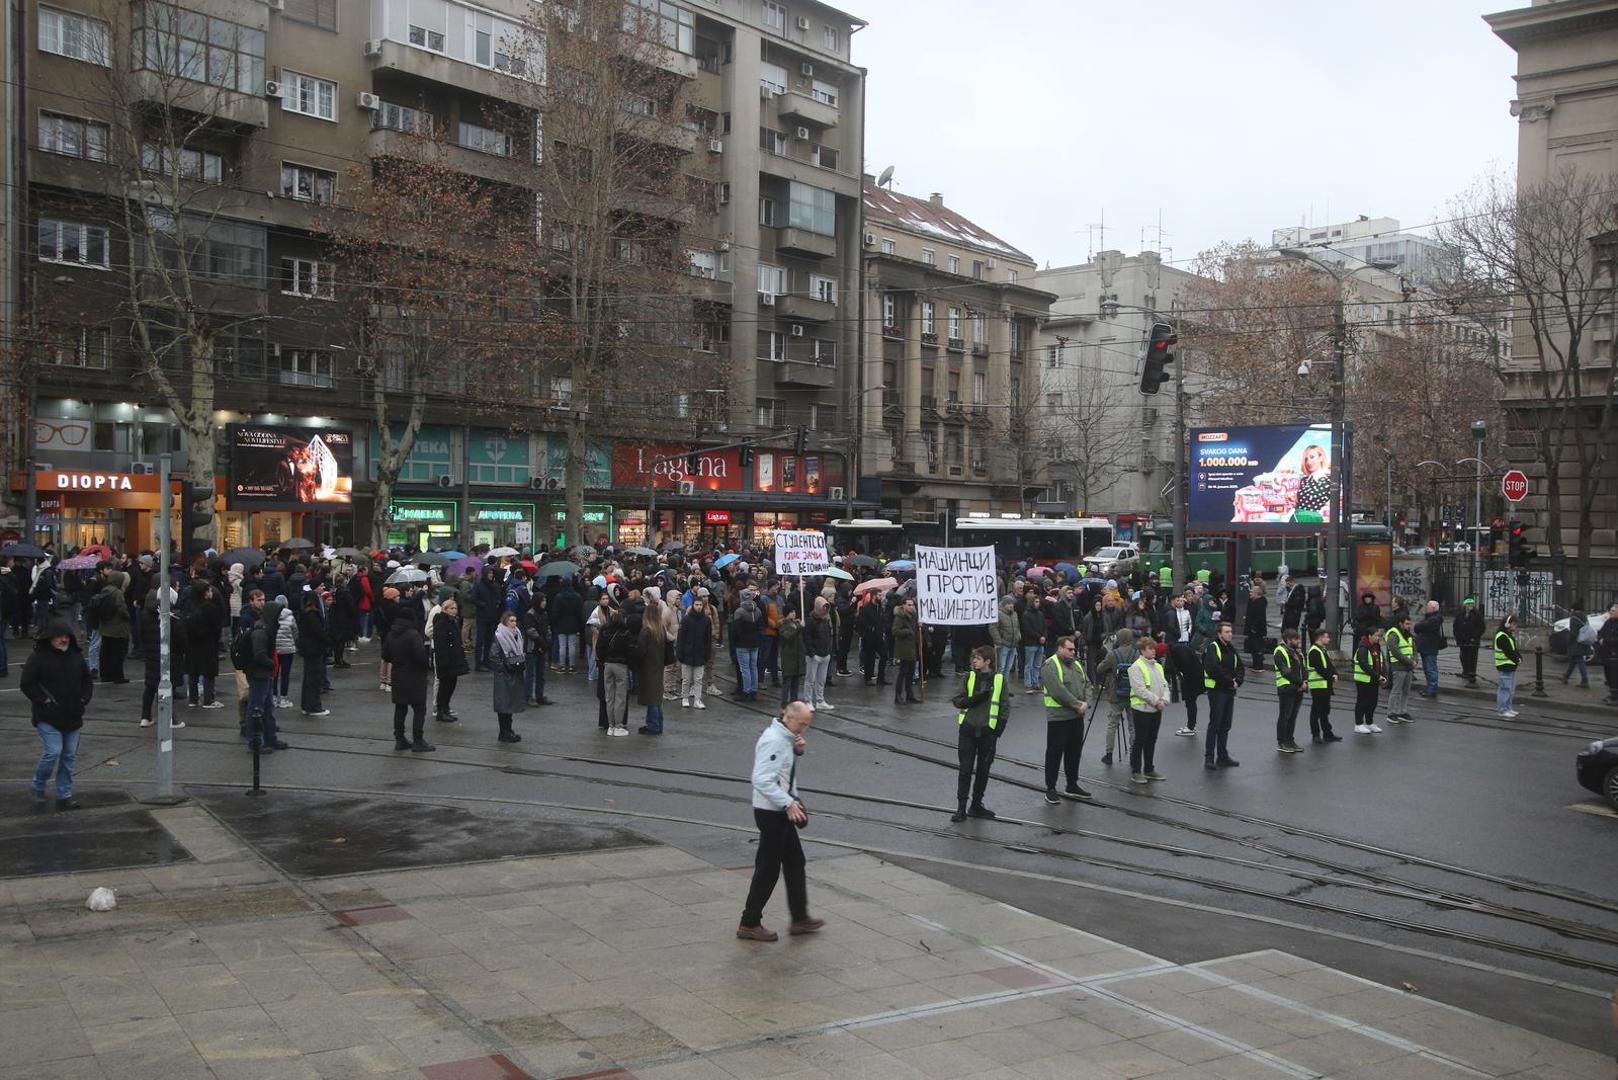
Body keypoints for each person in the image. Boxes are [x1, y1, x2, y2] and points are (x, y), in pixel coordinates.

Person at [738, 701, 822, 942]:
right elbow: (761, 779)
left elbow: (782, 772)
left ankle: (799, 918)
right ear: (788, 717)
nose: (804, 729)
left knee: (795, 861)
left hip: (780, 810)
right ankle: (749, 923)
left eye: (807, 725)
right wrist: (788, 803)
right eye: (802, 724)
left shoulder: (786, 738)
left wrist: (797, 752)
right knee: (768, 868)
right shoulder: (774, 740)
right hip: (772, 812)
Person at [22, 620, 94, 809]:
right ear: (50, 638)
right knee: (53, 752)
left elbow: (87, 679)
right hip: (48, 716)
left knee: (68, 756)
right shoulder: (38, 657)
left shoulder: (76, 656)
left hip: (73, 715)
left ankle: (64, 794)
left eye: (66, 636)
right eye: (59, 637)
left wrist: (84, 698)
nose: (63, 640)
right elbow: (27, 683)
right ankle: (37, 786)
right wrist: (43, 701)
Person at [951, 645, 1010, 822]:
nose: (974, 661)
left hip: (988, 732)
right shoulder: (969, 677)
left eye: (977, 658)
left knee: (984, 770)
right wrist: (976, 698)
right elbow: (957, 701)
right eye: (974, 658)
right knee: (965, 770)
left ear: (988, 661)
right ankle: (961, 808)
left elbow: (1004, 707)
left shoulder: (999, 680)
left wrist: (997, 731)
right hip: (968, 729)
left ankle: (976, 805)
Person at [1040, 635, 1091, 803]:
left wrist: (1087, 702)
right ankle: (1051, 788)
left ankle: (1072, 784)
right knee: (1054, 753)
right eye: (1070, 649)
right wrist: (1077, 704)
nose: (1073, 652)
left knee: (1074, 752)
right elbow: (1058, 691)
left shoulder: (1077, 664)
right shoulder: (1050, 665)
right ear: (1060, 648)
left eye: (1074, 649)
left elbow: (1088, 684)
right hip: (1059, 718)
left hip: (1076, 716)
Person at [383, 608, 435, 752]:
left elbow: (385, 655)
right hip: (415, 676)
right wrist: (426, 666)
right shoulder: (413, 634)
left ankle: (399, 739)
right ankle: (418, 740)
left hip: (398, 674)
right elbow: (420, 656)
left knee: (400, 707)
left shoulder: (391, 634)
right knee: (419, 708)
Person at [244, 598, 289, 754]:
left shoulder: (265, 628)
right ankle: (255, 743)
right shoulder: (261, 631)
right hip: (259, 674)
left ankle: (270, 739)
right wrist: (272, 664)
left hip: (264, 673)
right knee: (256, 709)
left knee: (267, 708)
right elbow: (259, 655)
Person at [138, 586, 187, 730]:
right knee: (166, 686)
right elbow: (181, 640)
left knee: (150, 686)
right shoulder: (172, 616)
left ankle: (145, 717)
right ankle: (171, 718)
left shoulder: (147, 614)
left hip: (151, 654)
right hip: (169, 656)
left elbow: (141, 634)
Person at [1127, 636, 1171, 783]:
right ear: (1142, 650)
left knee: (1152, 740)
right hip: (1142, 709)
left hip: (1156, 709)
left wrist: (1164, 700)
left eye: (1154, 648)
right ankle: (1136, 771)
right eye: (1150, 648)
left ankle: (1149, 769)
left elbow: (1165, 685)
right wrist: (1157, 701)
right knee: (1140, 740)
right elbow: (1140, 690)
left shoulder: (1157, 666)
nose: (1154, 651)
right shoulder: (1136, 667)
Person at [1202, 622, 1244, 769]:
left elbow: (1240, 666)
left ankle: (1222, 755)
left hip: (1229, 691)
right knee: (1215, 723)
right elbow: (1214, 669)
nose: (1230, 634)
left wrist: (1238, 681)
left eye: (1231, 631)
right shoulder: (1213, 647)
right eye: (1227, 632)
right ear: (1219, 634)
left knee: (1225, 724)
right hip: (1217, 690)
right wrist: (1230, 681)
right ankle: (1209, 757)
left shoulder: (1231, 648)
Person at [1094, 628, 1137, 767]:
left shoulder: (1113, 654)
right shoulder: (1136, 654)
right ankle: (1134, 754)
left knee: (1112, 724)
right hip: (1132, 693)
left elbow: (1099, 669)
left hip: (1115, 693)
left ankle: (1109, 754)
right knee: (1133, 725)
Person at [597, 605, 634, 736]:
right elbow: (630, 651)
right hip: (621, 665)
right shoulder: (626, 633)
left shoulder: (605, 630)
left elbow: (599, 648)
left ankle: (610, 725)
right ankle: (618, 725)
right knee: (620, 697)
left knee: (609, 697)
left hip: (607, 665)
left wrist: (603, 660)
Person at [491, 611, 526, 743]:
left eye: (515, 620)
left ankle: (508, 730)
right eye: (511, 621)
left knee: (509, 703)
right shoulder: (500, 635)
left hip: (513, 672)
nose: (514, 623)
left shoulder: (517, 634)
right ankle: (504, 732)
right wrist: (504, 668)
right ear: (505, 622)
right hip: (504, 675)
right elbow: (494, 656)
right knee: (504, 704)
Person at [432, 596, 469, 723]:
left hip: (454, 659)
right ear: (445, 609)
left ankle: (446, 708)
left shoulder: (453, 622)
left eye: (455, 608)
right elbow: (440, 644)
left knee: (451, 685)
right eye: (451, 608)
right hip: (446, 660)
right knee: (444, 686)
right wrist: (444, 660)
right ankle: (441, 710)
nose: (454, 610)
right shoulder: (441, 623)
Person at [636, 596, 668, 735]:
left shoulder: (646, 630)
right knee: (656, 696)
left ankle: (653, 725)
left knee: (651, 697)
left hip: (648, 667)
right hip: (658, 665)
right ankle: (656, 723)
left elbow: (641, 651)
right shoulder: (661, 629)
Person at [94, 570, 132, 683]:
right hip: (117, 627)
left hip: (105, 625)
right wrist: (128, 616)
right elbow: (121, 609)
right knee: (117, 653)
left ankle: (105, 675)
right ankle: (117, 676)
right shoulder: (117, 593)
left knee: (105, 653)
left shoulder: (105, 590)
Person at [295, 592, 329, 717]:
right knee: (314, 678)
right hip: (314, 649)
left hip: (307, 649)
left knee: (308, 678)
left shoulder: (303, 614)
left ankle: (306, 705)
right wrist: (328, 641)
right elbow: (319, 632)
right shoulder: (312, 615)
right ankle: (314, 707)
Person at [1306, 627, 1342, 744]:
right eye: (1327, 637)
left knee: (1325, 710)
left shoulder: (1322, 650)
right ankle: (1316, 734)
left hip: (1325, 685)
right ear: (1320, 638)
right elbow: (1320, 669)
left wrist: (1335, 673)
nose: (1329, 639)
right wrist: (1331, 677)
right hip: (1318, 686)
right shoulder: (1314, 651)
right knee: (1316, 711)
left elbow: (1329, 665)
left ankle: (1327, 733)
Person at [677, 595, 712, 708]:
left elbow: (708, 639)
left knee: (698, 679)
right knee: (686, 679)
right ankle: (685, 698)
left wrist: (707, 654)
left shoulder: (706, 620)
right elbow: (681, 638)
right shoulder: (686, 620)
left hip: (700, 654)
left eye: (700, 605)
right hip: (687, 654)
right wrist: (680, 653)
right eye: (696, 605)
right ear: (692, 605)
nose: (698, 607)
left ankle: (697, 699)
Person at [1273, 628, 1305, 753]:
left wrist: (1305, 681)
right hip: (1286, 688)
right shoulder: (1280, 651)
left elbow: (1303, 668)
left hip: (1298, 689)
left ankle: (1290, 740)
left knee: (1292, 716)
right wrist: (1300, 683)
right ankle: (1282, 742)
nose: (1298, 641)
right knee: (1285, 716)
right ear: (1288, 640)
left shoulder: (1297, 653)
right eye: (1296, 639)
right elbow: (1286, 672)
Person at [804, 596, 835, 711]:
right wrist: (812, 653)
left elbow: (829, 636)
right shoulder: (810, 620)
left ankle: (820, 700)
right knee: (810, 679)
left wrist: (829, 651)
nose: (825, 609)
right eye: (823, 607)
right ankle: (808, 701)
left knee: (821, 680)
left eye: (826, 607)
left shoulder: (826, 620)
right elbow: (807, 638)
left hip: (825, 653)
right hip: (814, 655)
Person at [1352, 627, 1386, 734]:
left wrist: (1382, 675)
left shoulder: (1376, 647)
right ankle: (1358, 724)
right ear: (1369, 636)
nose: (1378, 638)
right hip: (1363, 680)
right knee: (1362, 702)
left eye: (1379, 636)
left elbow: (1381, 662)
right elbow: (1364, 665)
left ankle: (1369, 723)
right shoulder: (1363, 648)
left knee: (1372, 702)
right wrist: (1377, 676)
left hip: (1374, 680)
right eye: (1376, 635)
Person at [729, 590, 762, 701]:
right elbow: (760, 627)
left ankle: (746, 691)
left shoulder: (739, 612)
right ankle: (754, 691)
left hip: (742, 644)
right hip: (755, 643)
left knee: (745, 669)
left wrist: (735, 642)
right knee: (753, 667)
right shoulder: (758, 610)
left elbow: (735, 630)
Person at [1384, 613, 1415, 725]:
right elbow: (1396, 652)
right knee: (1396, 691)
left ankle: (1402, 712)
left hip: (1408, 667)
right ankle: (1391, 713)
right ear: (1400, 623)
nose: (1409, 626)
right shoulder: (1394, 634)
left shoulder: (1408, 635)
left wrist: (1414, 660)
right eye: (1407, 624)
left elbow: (1413, 649)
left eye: (1410, 624)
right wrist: (1411, 661)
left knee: (1406, 691)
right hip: (1399, 667)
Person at [891, 596, 920, 705]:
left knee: (910, 673)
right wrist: (907, 631)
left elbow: (915, 629)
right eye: (909, 605)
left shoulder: (914, 616)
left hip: (912, 647)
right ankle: (898, 695)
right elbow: (895, 631)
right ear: (903, 605)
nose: (911, 607)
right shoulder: (900, 616)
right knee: (903, 672)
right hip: (904, 648)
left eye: (912, 605)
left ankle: (909, 695)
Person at [1413, 600, 1445, 697]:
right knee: (1427, 669)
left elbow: (1418, 627)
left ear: (1433, 608)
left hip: (1429, 647)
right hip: (1426, 647)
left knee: (1430, 669)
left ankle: (1432, 690)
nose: (1426, 608)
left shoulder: (1433, 619)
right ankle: (1430, 688)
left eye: (1428, 606)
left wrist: (1419, 626)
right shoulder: (1430, 618)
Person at [1453, 597, 1485, 686]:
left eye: (1471, 604)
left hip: (1473, 641)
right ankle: (1465, 671)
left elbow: (1481, 627)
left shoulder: (1477, 614)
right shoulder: (1460, 614)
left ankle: (1471, 674)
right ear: (1465, 605)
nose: (1470, 605)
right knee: (1463, 656)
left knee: (1472, 658)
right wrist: (1457, 638)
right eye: (1468, 604)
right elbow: (1455, 626)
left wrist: (1475, 637)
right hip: (1462, 640)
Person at [1495, 614, 1521, 719]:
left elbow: (1513, 649)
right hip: (1504, 665)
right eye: (1514, 624)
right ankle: (1502, 710)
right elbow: (1509, 652)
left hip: (1510, 665)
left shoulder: (1508, 635)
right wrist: (1517, 659)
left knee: (1510, 689)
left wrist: (1519, 657)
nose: (1515, 626)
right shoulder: (1502, 636)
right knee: (1505, 689)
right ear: (1507, 624)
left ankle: (1508, 708)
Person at [1018, 594, 1046, 693]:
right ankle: (1028, 684)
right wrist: (1039, 637)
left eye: (1038, 602)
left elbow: (1044, 627)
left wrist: (1044, 636)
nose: (1038, 604)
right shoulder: (1026, 614)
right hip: (1030, 643)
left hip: (1040, 643)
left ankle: (1035, 682)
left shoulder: (1041, 614)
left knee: (1037, 665)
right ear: (1031, 603)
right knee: (1029, 665)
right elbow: (1027, 629)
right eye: (1036, 602)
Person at [1564, 604, 1593, 688]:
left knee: (1580, 661)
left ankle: (1585, 681)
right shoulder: (1584, 616)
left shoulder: (1574, 618)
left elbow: (1573, 633)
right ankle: (1566, 676)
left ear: (1573, 609)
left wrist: (1569, 641)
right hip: (1583, 641)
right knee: (1573, 660)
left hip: (1576, 643)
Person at [1595, 602, 1618, 706]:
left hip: (1615, 654)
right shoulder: (1609, 622)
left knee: (1615, 676)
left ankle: (1615, 696)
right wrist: (1600, 638)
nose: (1610, 612)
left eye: (1613, 611)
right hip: (1607, 654)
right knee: (1608, 675)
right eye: (1611, 611)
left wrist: (1605, 641)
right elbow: (1600, 632)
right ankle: (1612, 694)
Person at [1243, 583, 1268, 671]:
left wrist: (1254, 628)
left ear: (1257, 593)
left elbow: (1259, 617)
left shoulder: (1260, 602)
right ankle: (1255, 664)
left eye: (1252, 592)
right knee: (1252, 647)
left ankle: (1259, 665)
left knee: (1257, 647)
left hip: (1257, 630)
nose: (1250, 593)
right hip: (1251, 628)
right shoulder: (1252, 600)